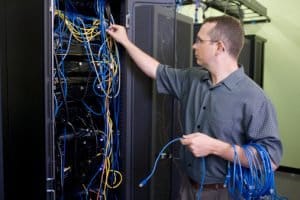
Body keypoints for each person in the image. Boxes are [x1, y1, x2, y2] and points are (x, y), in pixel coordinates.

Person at [107, 15, 283, 200]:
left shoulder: (254, 98)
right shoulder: (192, 79)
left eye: (200, 40)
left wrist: (216, 147)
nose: (194, 45)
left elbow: (270, 161)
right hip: (188, 187)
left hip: (226, 192)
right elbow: (156, 70)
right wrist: (125, 42)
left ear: (219, 47)